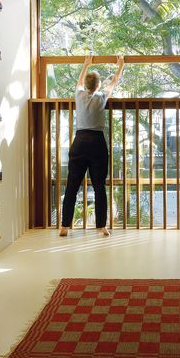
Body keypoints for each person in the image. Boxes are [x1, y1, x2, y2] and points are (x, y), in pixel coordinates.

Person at [60, 55, 125, 237]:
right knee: (99, 187)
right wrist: (120, 66)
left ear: (87, 85)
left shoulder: (79, 95)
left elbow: (79, 81)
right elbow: (114, 81)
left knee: (72, 185)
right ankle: (101, 226)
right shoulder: (102, 97)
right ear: (97, 85)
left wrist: (86, 64)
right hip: (97, 142)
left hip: (79, 141)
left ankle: (65, 226)